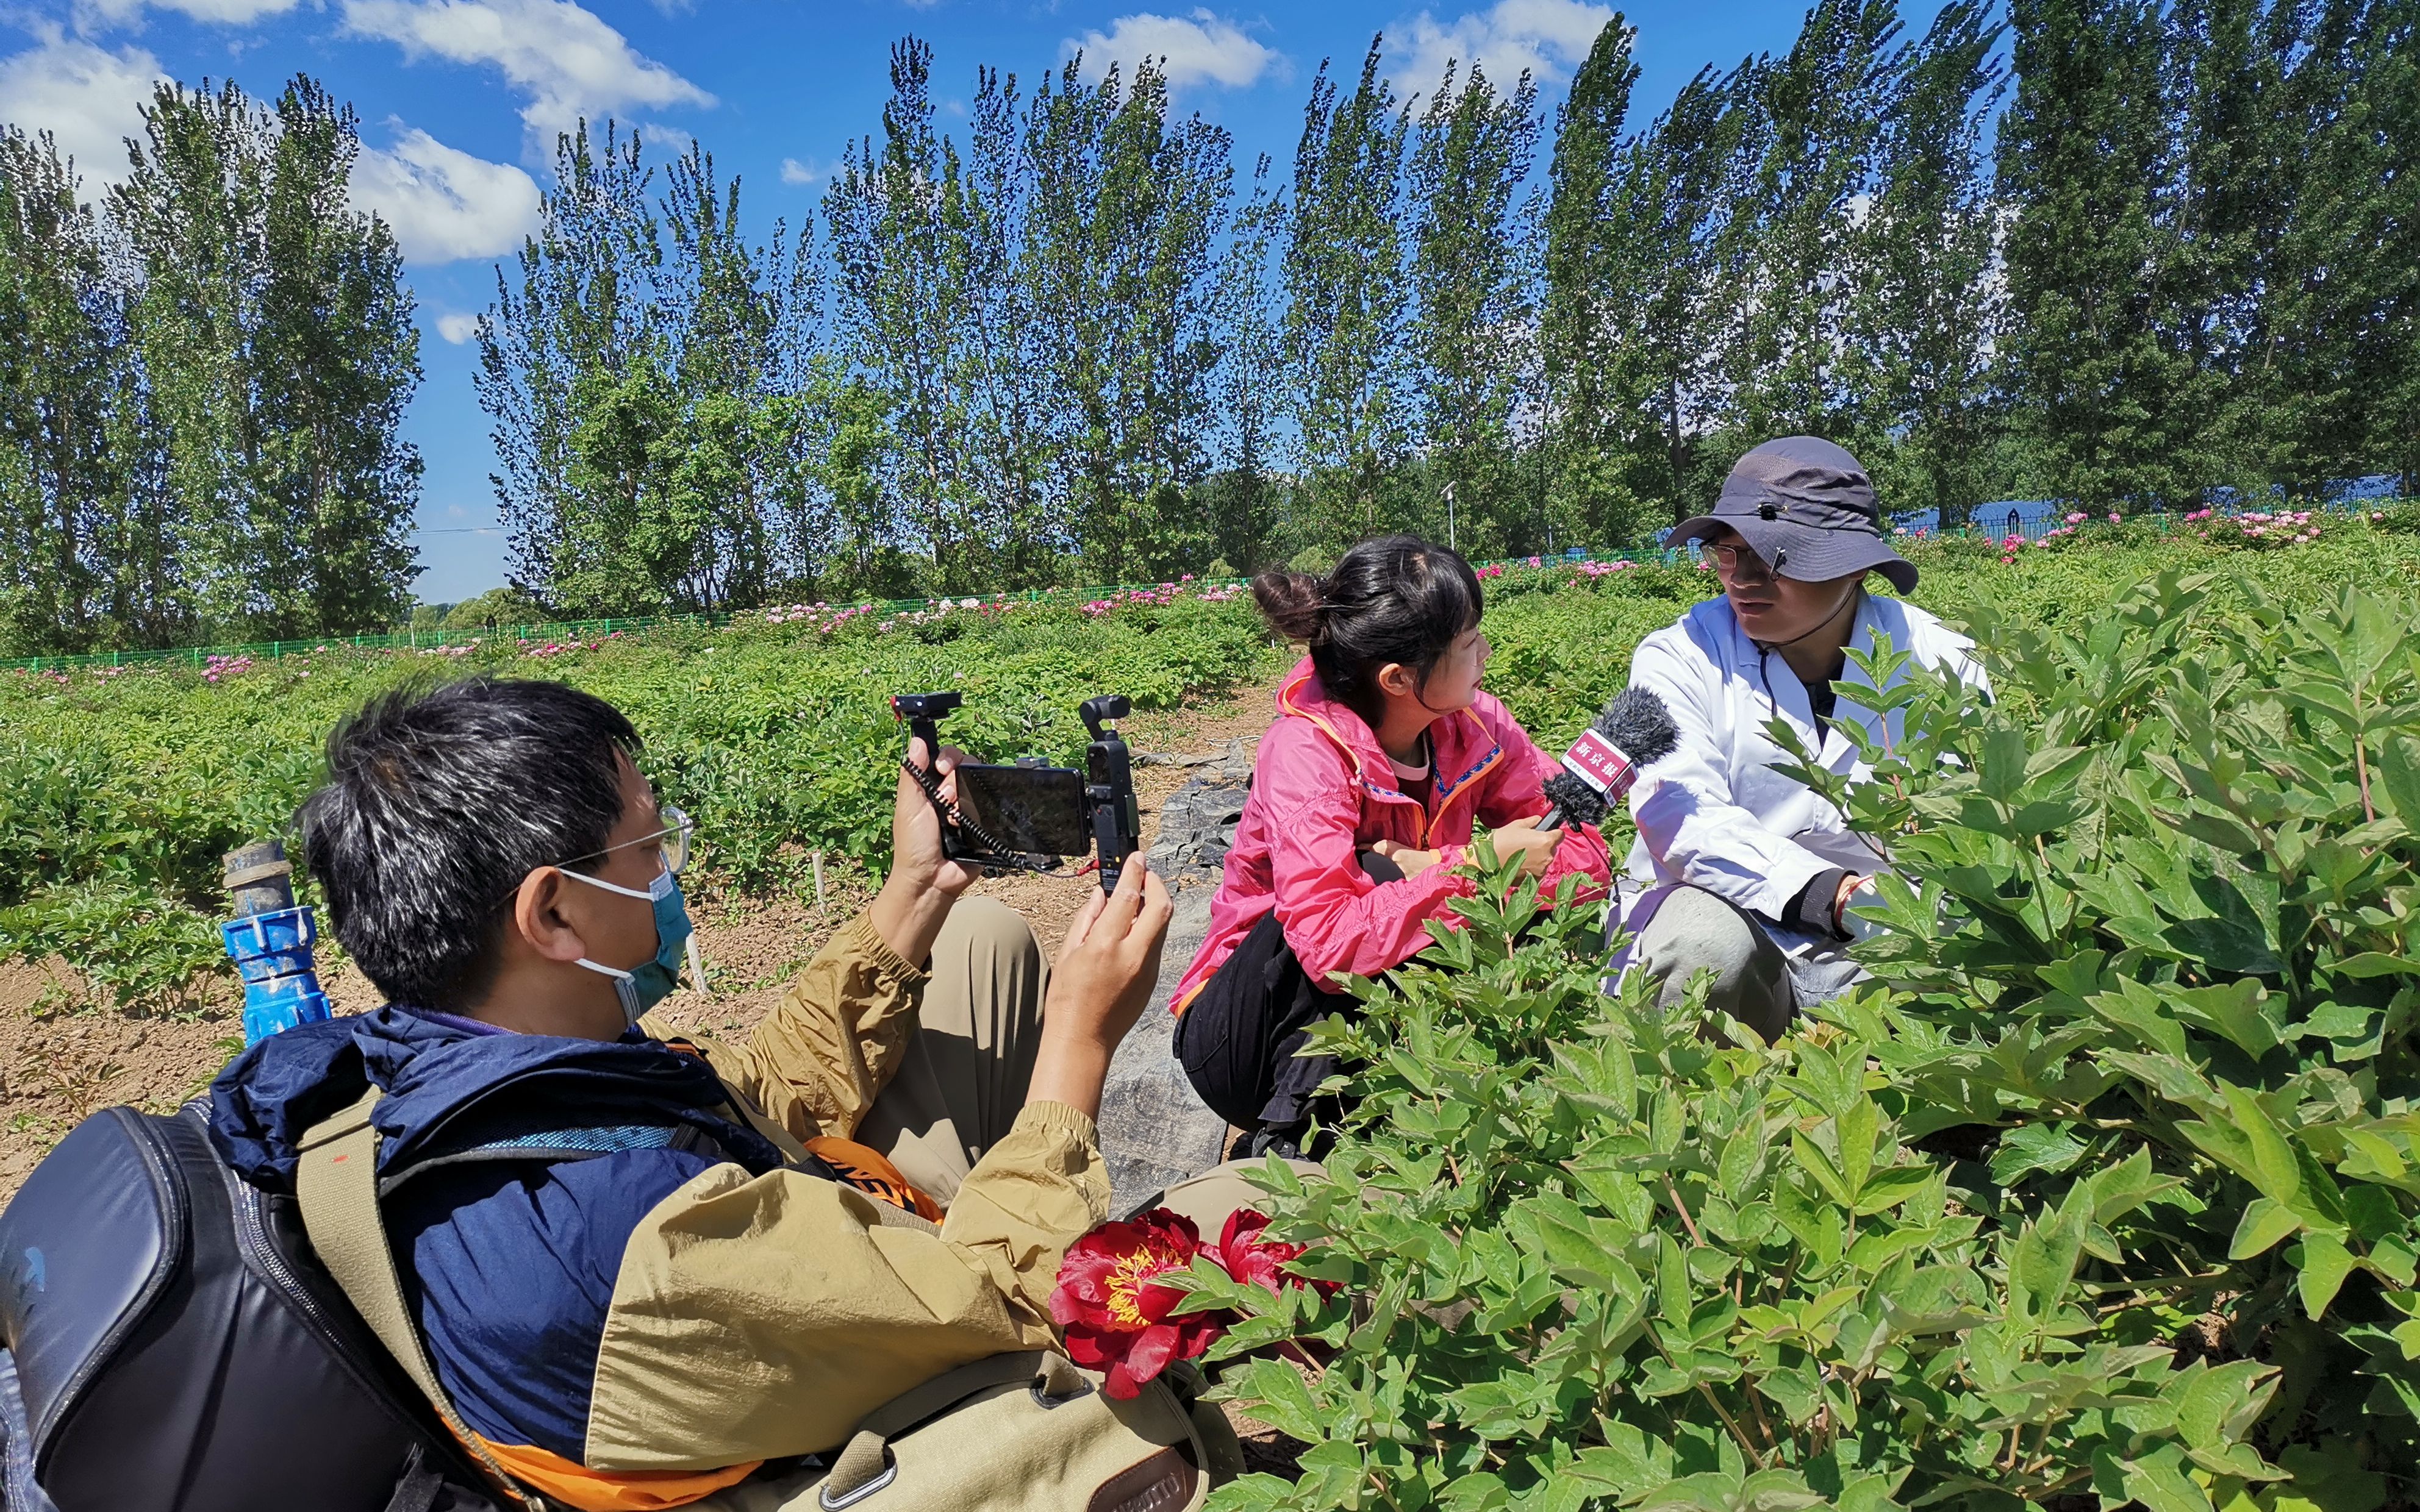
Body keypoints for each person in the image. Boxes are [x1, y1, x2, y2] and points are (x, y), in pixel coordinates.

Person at [207, 677, 1173, 1511]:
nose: (669, 872)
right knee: (1233, 1220)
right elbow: (996, 1298)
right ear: (552, 912)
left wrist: (916, 891)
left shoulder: (447, 1068)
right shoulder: (634, 1239)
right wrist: (1078, 1046)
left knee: (975, 938)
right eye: (647, 846)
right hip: (808, 1414)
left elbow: (731, 1102)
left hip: (726, 1314)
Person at [1169, 535, 1613, 1155]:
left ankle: (1414, 1114)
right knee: (1375, 874)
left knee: (1499, 902)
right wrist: (1480, 865)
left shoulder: (1477, 725)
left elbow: (1585, 858)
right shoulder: (1307, 751)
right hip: (1245, 1038)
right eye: (1467, 643)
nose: (1486, 651)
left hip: (1384, 1008)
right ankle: (1291, 1141)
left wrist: (1440, 866)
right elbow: (1328, 943)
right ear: (1398, 677)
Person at [1617, 436, 1988, 1041]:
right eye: (1727, 551)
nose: (1744, 577)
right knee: (1699, 944)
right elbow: (1680, 815)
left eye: (1778, 556)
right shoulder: (1679, 653)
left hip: (1886, 949)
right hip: (1737, 936)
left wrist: (1897, 916)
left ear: (1857, 565)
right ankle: (1697, 1118)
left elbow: (1964, 835)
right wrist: (1832, 894)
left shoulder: (1941, 661)